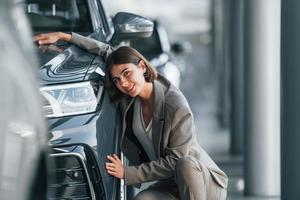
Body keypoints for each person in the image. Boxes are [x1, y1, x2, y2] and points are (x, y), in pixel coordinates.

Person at [34, 32, 228, 200]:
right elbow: (107, 52)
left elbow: (176, 161)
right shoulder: (130, 97)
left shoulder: (175, 105)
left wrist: (128, 173)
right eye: (117, 79)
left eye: (127, 74)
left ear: (142, 67)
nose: (124, 83)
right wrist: (65, 36)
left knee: (185, 163)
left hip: (201, 183)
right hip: (171, 185)